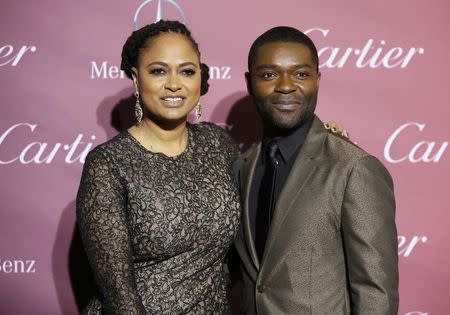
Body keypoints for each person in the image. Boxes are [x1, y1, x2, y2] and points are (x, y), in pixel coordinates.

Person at [76, 20, 241, 314]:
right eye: (158, 71)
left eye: (187, 71)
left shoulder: (218, 144)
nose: (174, 84)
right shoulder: (108, 163)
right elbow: (119, 297)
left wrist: (323, 142)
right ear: (137, 80)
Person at [233, 26, 399, 314]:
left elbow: (375, 293)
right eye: (269, 75)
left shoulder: (353, 168)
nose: (286, 86)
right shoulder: (241, 167)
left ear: (317, 80)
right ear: (250, 82)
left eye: (301, 74)